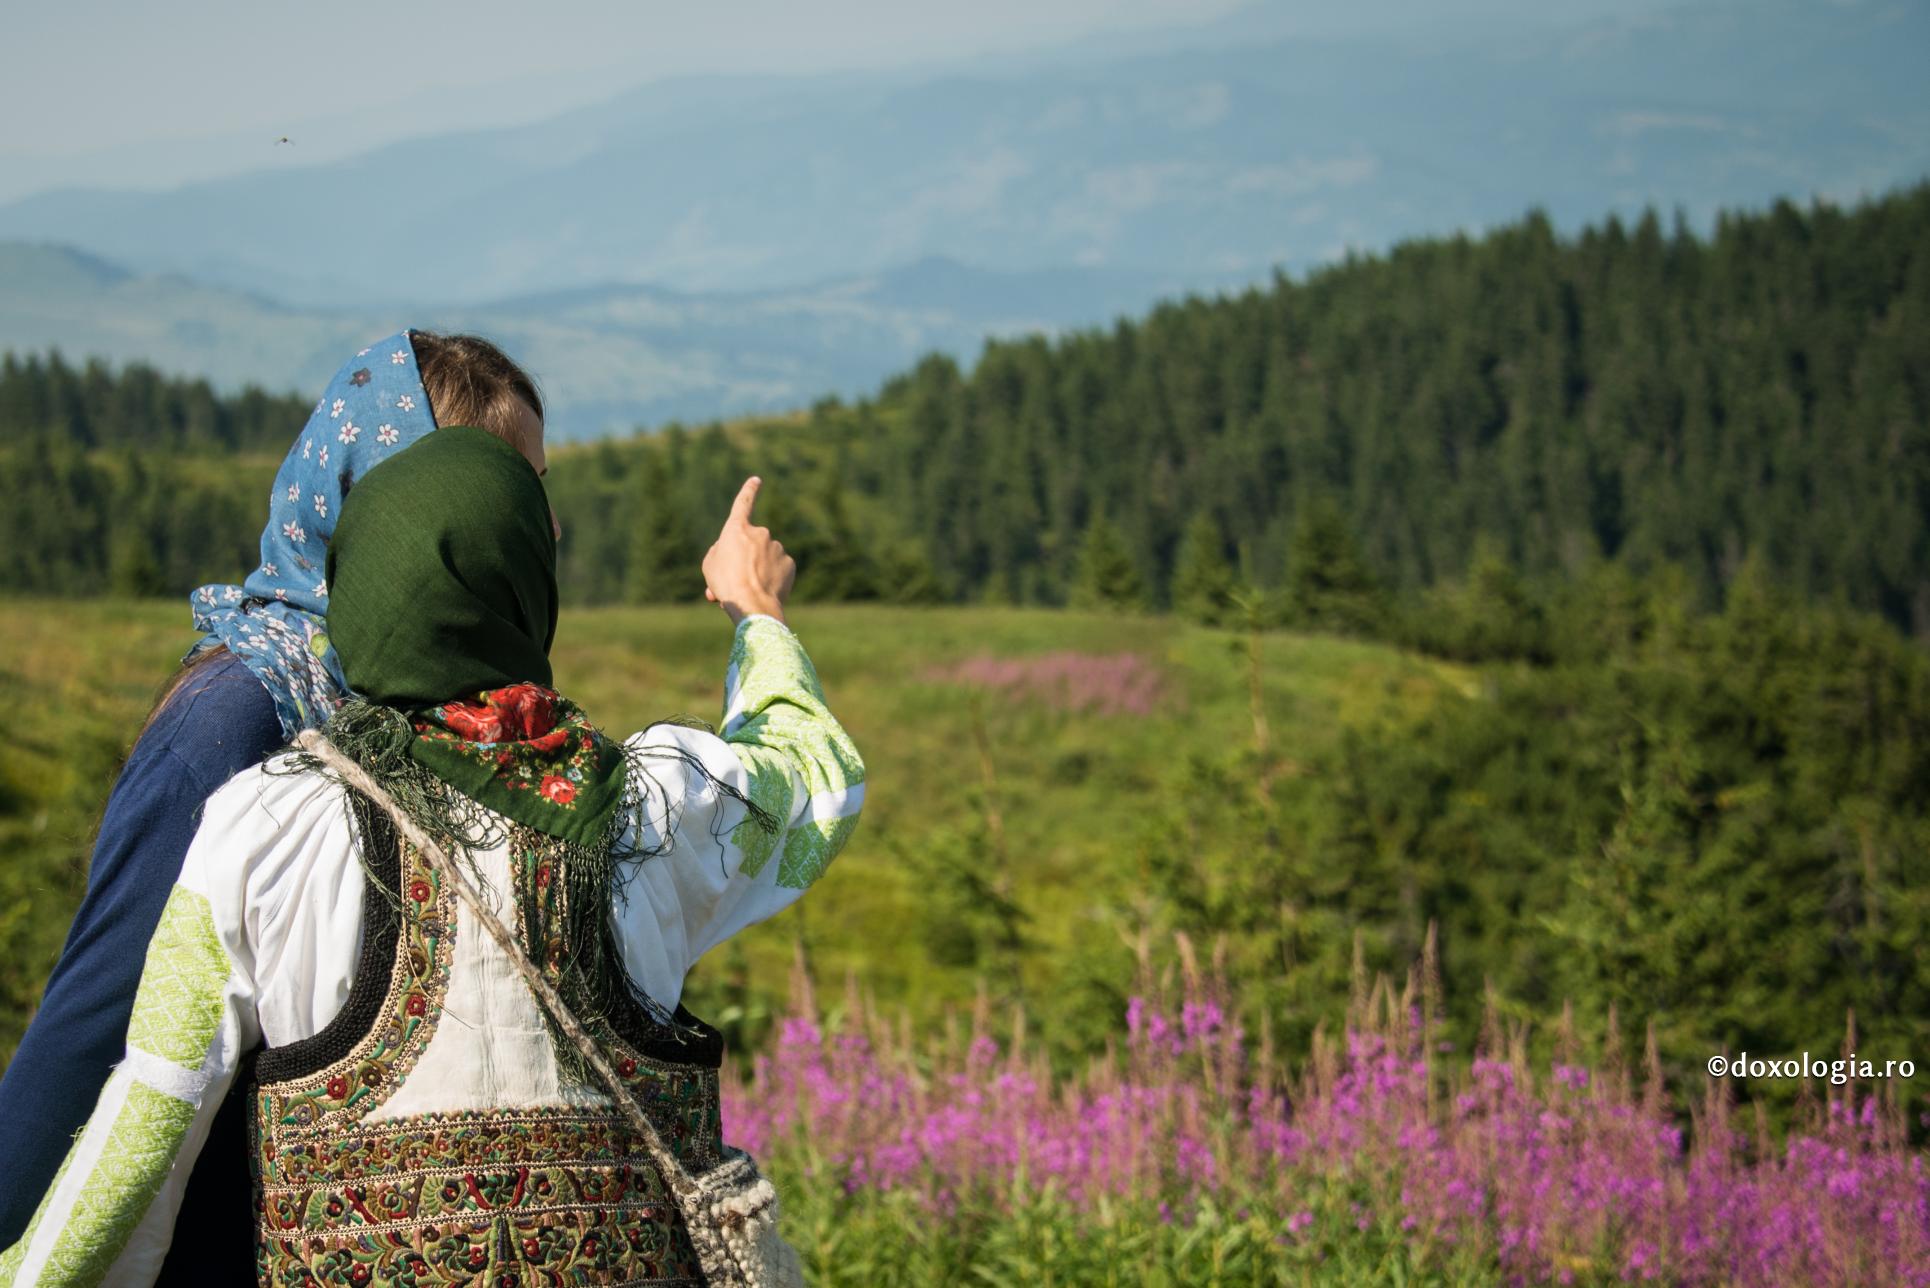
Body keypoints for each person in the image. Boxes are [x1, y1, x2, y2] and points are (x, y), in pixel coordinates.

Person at [0, 422, 863, 1284]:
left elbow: (148, 1127)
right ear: (527, 585)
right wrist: (757, 610)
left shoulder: (261, 825)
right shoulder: (659, 805)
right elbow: (812, 778)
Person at [0, 330, 555, 1280]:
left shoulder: (416, 707)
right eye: (507, 482)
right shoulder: (239, 721)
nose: (531, 525)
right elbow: (99, 1022)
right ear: (384, 496)